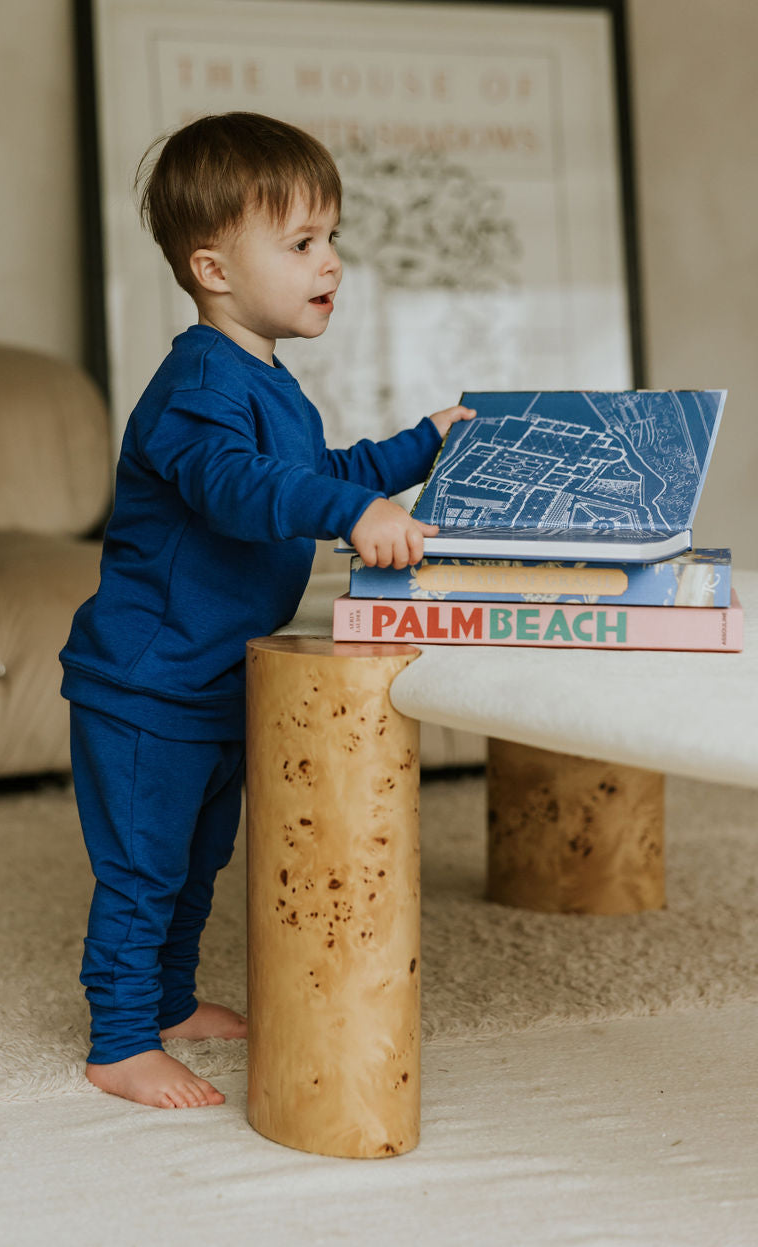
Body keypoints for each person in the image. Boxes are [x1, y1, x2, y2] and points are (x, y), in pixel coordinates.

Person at [60, 112, 474, 1110]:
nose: (330, 261)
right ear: (211, 266)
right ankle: (118, 1038)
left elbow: (310, 471)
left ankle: (165, 999)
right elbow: (237, 488)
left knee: (199, 858)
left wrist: (414, 447)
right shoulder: (198, 381)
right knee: (142, 867)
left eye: (332, 237)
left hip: (208, 678)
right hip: (144, 683)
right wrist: (351, 510)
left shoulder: (269, 380)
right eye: (300, 244)